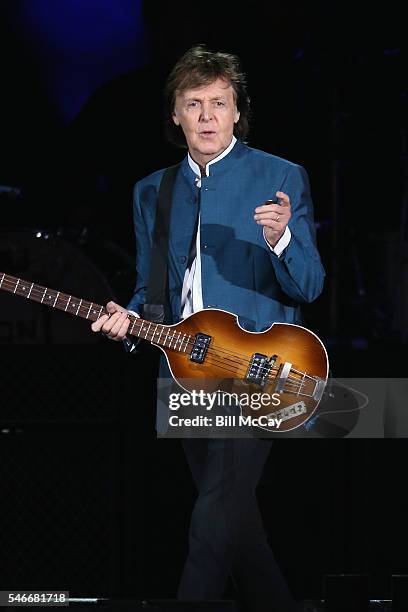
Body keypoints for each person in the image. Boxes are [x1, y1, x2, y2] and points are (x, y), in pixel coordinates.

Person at [91, 45, 324, 612]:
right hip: (185, 373)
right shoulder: (153, 190)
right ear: (175, 114)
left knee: (212, 518)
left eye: (218, 103)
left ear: (237, 111)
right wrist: (128, 317)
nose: (206, 116)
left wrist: (280, 240)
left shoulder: (280, 176)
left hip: (256, 372)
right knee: (236, 527)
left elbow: (311, 286)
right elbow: (153, 292)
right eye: (193, 104)